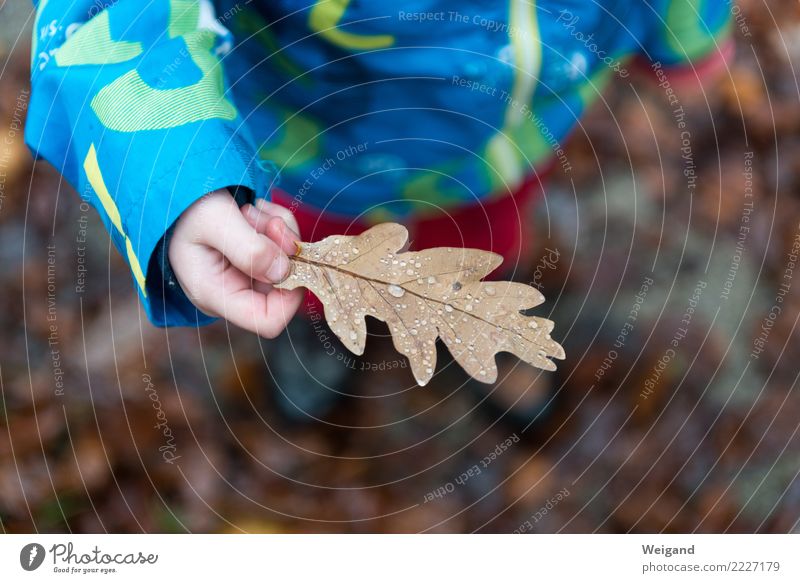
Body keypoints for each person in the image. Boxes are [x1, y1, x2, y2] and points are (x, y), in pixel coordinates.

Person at [26, 0, 732, 421]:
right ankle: (327, 330)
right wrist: (176, 171)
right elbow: (110, 16)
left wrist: (685, 28)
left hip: (502, 145)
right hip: (311, 147)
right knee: (304, 261)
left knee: (484, 240)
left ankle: (476, 319)